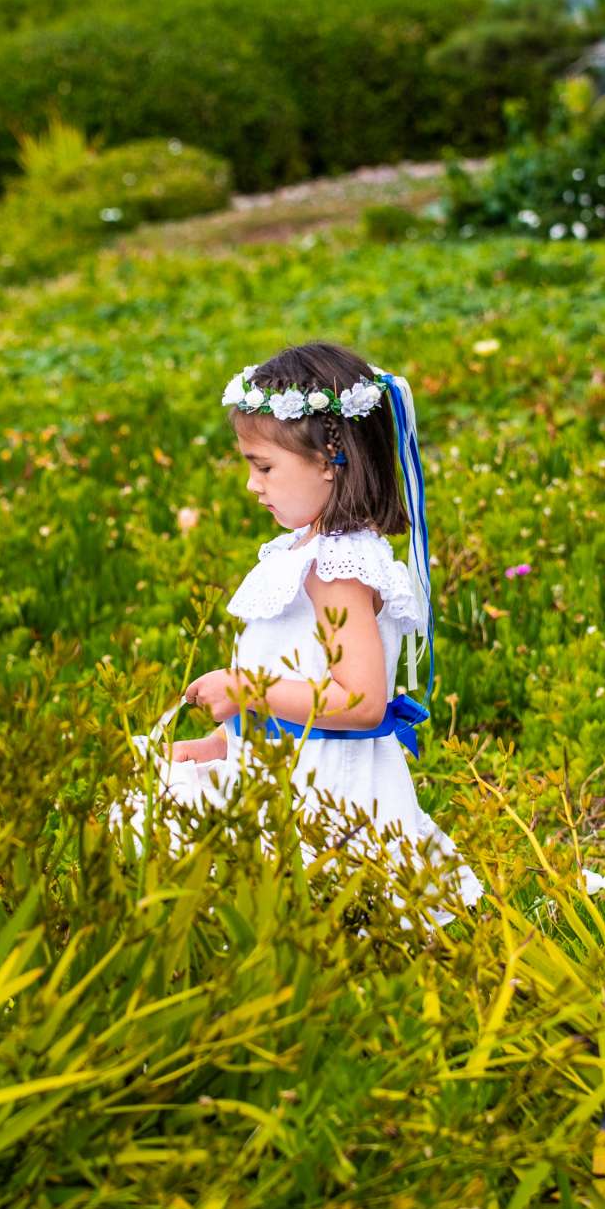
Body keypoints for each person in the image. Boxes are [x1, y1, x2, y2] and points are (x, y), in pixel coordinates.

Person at [143, 340, 481, 908]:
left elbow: (361, 703)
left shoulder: (337, 570)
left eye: (265, 467)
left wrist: (246, 690)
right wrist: (217, 747)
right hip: (289, 776)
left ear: (329, 461)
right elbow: (294, 693)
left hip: (329, 797)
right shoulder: (306, 553)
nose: (253, 485)